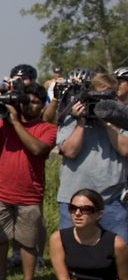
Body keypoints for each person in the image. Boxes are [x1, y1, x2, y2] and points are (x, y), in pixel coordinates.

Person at [0, 75, 56, 280]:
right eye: (26, 101)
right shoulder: (4, 122)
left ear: (42, 105)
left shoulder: (47, 128)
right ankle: (1, 278)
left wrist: (15, 123)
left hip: (29, 193)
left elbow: (37, 149)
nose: (29, 106)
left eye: (35, 102)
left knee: (28, 241)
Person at [55, 72, 128, 244]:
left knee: (120, 253)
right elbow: (70, 151)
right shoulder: (71, 117)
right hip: (73, 201)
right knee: (72, 249)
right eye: (97, 97)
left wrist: (107, 121)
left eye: (107, 98)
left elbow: (126, 150)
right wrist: (81, 122)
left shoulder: (121, 118)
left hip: (111, 199)